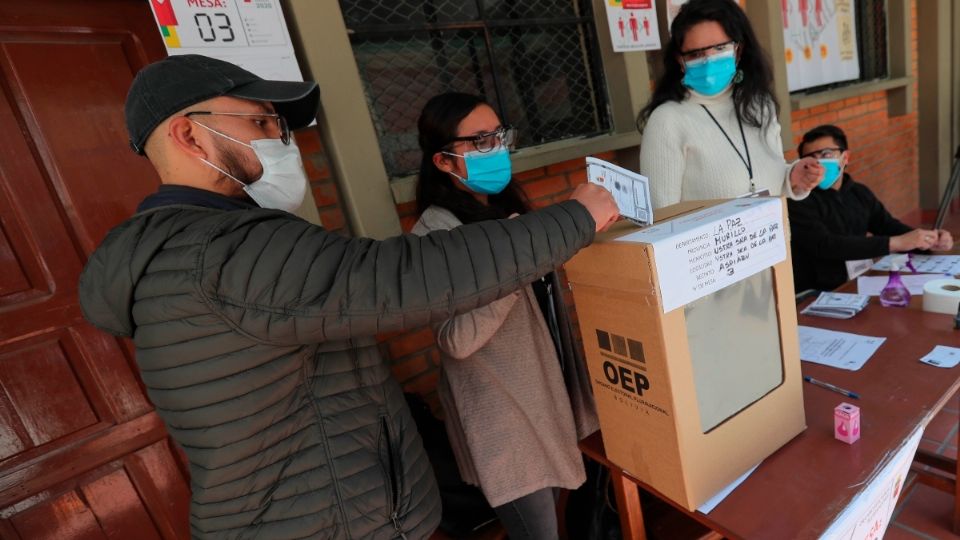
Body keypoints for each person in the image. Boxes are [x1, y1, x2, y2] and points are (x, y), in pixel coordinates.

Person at [77, 55, 619, 539]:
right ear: (190, 138)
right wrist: (571, 220)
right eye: (262, 122)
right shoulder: (222, 252)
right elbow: (405, 278)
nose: (281, 139)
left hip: (336, 508)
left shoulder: (219, 244)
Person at [410, 93, 599, 540]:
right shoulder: (434, 235)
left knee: (561, 514)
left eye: (498, 135)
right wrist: (519, 259)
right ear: (443, 161)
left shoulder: (501, 207)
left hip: (544, 395)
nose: (496, 147)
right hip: (504, 420)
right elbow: (456, 339)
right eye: (479, 141)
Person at [637, 0, 823, 209]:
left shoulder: (759, 106)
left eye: (719, 48)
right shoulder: (667, 121)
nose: (708, 60)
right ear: (680, 61)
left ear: (738, 50)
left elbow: (764, 185)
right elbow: (662, 219)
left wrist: (792, 178)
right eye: (695, 54)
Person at [788, 124, 954, 292]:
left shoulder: (859, 192)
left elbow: (887, 225)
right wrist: (895, 243)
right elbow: (826, 245)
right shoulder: (798, 200)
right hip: (818, 291)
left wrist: (926, 241)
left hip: (860, 281)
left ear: (845, 157)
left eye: (826, 154)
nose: (820, 164)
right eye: (812, 159)